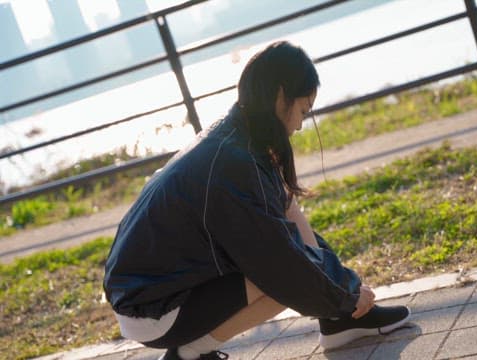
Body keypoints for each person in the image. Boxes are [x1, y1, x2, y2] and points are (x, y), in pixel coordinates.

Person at [103, 41, 411, 360]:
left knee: (286, 216)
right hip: (151, 308)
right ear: (281, 97)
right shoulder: (233, 163)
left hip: (154, 287)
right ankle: (187, 353)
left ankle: (339, 321)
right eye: (303, 111)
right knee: (282, 281)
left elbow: (286, 215)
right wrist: (346, 292)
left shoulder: (237, 137)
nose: (301, 124)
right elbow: (281, 263)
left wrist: (342, 295)